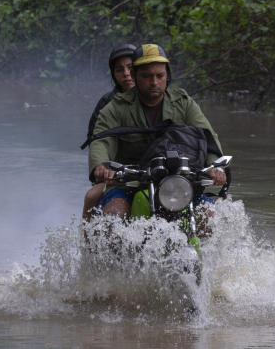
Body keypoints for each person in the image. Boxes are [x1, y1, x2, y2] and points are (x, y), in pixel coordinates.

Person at [88, 43, 226, 219]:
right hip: (129, 184)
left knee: (210, 215)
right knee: (114, 214)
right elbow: (101, 140)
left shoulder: (184, 103)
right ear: (135, 76)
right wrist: (101, 166)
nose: (154, 82)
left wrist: (216, 167)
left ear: (167, 76)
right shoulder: (115, 108)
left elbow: (207, 136)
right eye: (146, 76)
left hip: (178, 182)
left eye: (159, 76)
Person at [81, 43, 137, 219]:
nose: (126, 74)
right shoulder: (108, 104)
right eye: (120, 70)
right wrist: (103, 167)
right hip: (117, 174)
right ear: (113, 74)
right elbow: (96, 139)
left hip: (154, 170)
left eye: (130, 68)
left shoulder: (160, 99)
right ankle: (88, 245)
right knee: (91, 197)